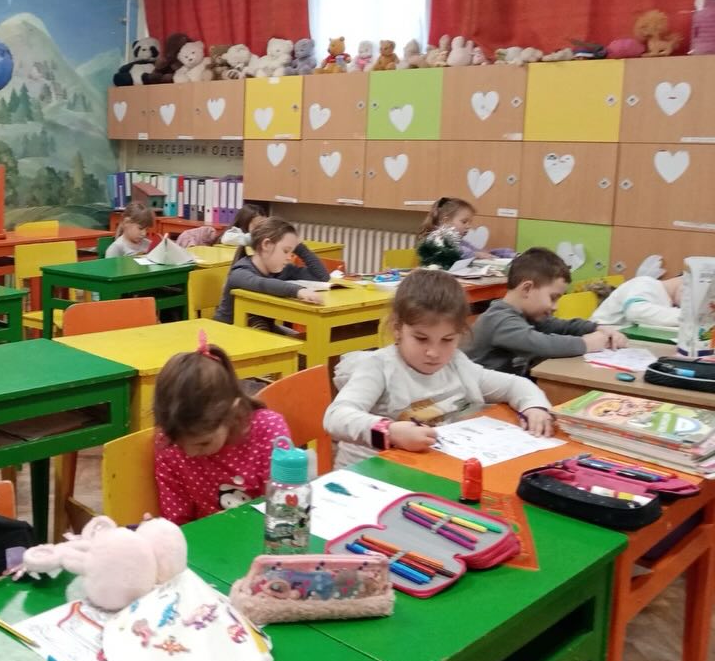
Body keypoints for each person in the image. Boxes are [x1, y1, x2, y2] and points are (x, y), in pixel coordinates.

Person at [324, 269, 553, 469]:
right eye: (421, 339)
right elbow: (336, 416)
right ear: (397, 329)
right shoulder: (379, 367)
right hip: (371, 475)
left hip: (429, 469)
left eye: (447, 340)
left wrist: (534, 407)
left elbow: (514, 384)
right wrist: (390, 432)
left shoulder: (457, 364)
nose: (434, 352)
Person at [152, 334, 291, 524]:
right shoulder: (168, 444)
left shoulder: (267, 430)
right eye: (181, 444)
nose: (190, 453)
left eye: (203, 443)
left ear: (231, 414)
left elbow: (284, 506)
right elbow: (179, 522)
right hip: (207, 540)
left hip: (264, 533)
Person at [465, 247, 626, 375]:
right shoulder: (499, 320)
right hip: (481, 400)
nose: (555, 307)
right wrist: (586, 343)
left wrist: (598, 328)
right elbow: (541, 344)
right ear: (527, 289)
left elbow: (562, 326)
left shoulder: (528, 316)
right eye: (553, 298)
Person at [211, 217, 329, 330]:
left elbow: (321, 276)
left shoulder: (283, 270)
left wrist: (299, 247)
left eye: (292, 252)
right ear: (266, 245)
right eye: (285, 251)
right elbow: (262, 284)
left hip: (262, 330)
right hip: (229, 332)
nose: (290, 257)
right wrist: (298, 291)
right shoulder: (240, 272)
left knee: (301, 339)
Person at [417, 197, 509, 259]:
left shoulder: (459, 241)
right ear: (446, 221)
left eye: (470, 222)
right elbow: (455, 252)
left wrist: (500, 253)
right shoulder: (436, 239)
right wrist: (476, 255)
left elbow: (476, 250)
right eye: (464, 222)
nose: (469, 226)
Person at [590, 274, 683, 328]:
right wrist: (688, 317)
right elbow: (636, 312)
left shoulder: (668, 301)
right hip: (597, 336)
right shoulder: (645, 283)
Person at [174, 204, 265, 249]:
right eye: (255, 225)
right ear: (244, 222)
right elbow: (227, 239)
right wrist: (254, 236)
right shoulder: (235, 232)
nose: (258, 229)